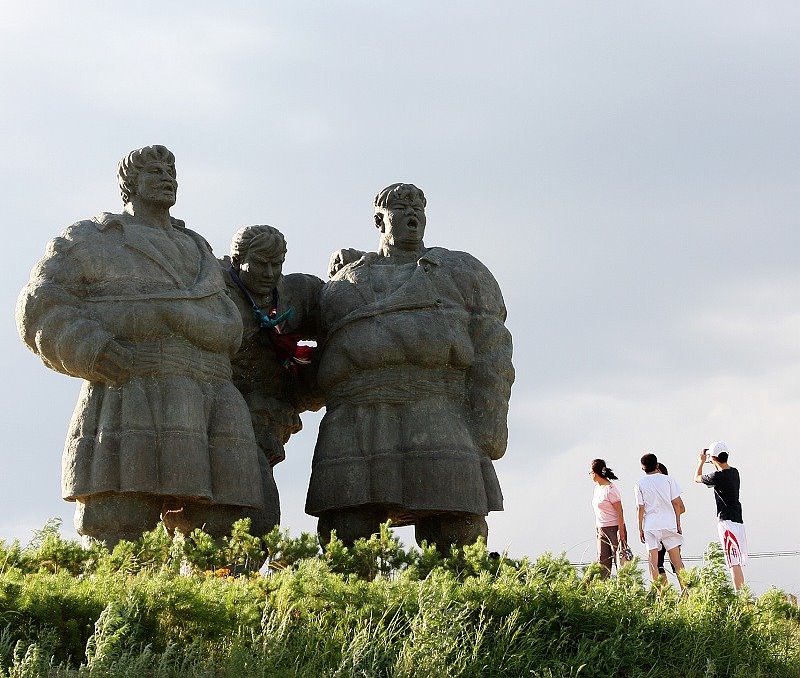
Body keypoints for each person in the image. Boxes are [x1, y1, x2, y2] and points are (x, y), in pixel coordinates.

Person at [16, 146, 264, 546]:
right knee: (119, 518)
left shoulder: (199, 249)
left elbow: (238, 321)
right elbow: (40, 302)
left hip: (210, 391)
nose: (168, 177)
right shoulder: (93, 240)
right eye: (154, 170)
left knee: (222, 523)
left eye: (171, 170)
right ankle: (122, 603)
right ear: (129, 184)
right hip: (130, 387)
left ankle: (208, 603)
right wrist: (92, 347)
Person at [305, 183, 514, 553]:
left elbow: (493, 351)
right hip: (357, 414)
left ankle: (457, 607)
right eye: (400, 208)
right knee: (347, 529)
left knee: (455, 527)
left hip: (438, 408)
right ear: (379, 219)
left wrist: (488, 424)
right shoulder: (343, 283)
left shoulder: (460, 270)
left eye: (418, 207)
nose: (411, 214)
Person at [222, 225, 324, 535]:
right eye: (261, 263)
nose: (269, 272)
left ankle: (244, 569)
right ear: (239, 260)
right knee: (248, 505)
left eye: (276, 263)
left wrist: (349, 267)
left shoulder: (296, 291)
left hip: (269, 414)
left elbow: (338, 305)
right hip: (222, 411)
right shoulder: (218, 287)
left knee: (258, 507)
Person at [694, 441, 747, 590]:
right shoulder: (735, 472)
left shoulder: (717, 476)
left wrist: (701, 462)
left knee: (732, 561)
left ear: (714, 458)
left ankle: (740, 595)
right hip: (738, 519)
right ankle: (742, 593)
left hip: (726, 521)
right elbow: (721, 472)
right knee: (736, 560)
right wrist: (713, 461)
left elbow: (697, 478)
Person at [634, 453, 686, 584]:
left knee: (653, 562)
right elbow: (676, 503)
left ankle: (661, 595)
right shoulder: (669, 480)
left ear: (642, 468)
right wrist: (678, 524)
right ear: (657, 465)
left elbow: (640, 507)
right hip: (669, 523)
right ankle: (686, 591)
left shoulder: (639, 483)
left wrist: (640, 528)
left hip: (651, 526)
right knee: (677, 561)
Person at [589, 458, 628, 578]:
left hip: (614, 527)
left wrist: (620, 531)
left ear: (595, 473)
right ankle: (604, 588)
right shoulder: (597, 488)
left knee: (620, 560)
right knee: (603, 560)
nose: (590, 475)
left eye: (591, 472)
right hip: (601, 528)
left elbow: (620, 511)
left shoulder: (610, 489)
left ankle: (624, 586)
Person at [655, 462, 684, 582]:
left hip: (669, 528)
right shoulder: (653, 489)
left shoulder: (668, 486)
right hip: (657, 528)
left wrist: (674, 518)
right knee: (658, 563)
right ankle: (665, 595)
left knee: (676, 562)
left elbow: (681, 507)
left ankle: (686, 593)